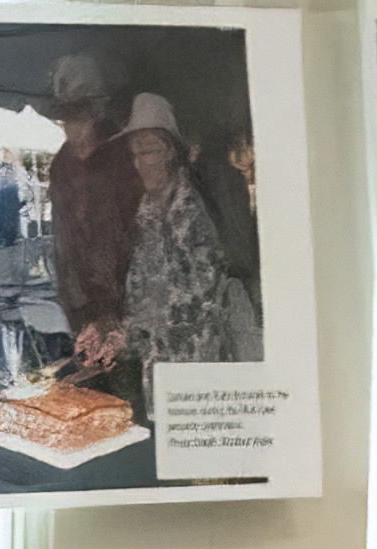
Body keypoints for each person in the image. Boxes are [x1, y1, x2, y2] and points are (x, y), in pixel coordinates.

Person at [115, 101, 250, 390]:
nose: (140, 164)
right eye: (135, 154)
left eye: (148, 151)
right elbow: (140, 290)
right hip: (158, 370)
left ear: (172, 152)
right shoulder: (145, 212)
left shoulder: (196, 210)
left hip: (200, 372)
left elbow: (196, 305)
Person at [39, 54, 136, 375]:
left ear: (97, 110)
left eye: (79, 113)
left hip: (128, 303)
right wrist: (74, 304)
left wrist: (115, 308)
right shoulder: (62, 164)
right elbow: (64, 242)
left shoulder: (124, 153)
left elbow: (135, 234)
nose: (71, 126)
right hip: (82, 305)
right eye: (66, 115)